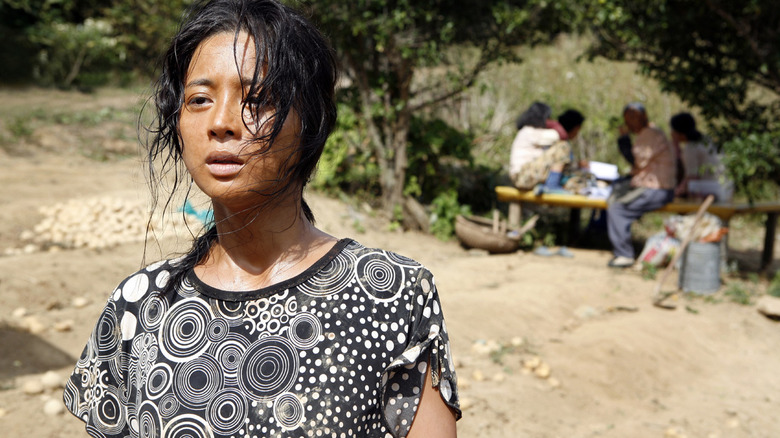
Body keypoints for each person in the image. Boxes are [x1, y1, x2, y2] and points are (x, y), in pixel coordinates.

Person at [62, 1, 460, 437]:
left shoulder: (392, 293)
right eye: (198, 99)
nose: (220, 122)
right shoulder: (139, 307)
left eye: (256, 99)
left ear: (310, 119)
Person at [607, 102, 677, 268]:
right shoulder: (652, 132)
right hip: (656, 188)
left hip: (656, 190)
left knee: (617, 209)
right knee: (616, 191)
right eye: (628, 118)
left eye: (635, 118)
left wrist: (624, 140)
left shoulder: (649, 135)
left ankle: (624, 255)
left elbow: (635, 162)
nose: (631, 122)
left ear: (644, 118)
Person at [508, 102, 570, 191]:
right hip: (523, 175)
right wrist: (552, 123)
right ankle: (552, 186)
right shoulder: (530, 131)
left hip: (523, 176)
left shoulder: (526, 131)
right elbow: (562, 135)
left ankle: (553, 184)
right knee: (562, 146)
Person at [670, 112, 732, 200]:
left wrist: (677, 191)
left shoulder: (691, 147)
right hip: (727, 187)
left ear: (679, 132)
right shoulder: (707, 139)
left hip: (713, 191)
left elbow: (692, 177)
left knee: (684, 192)